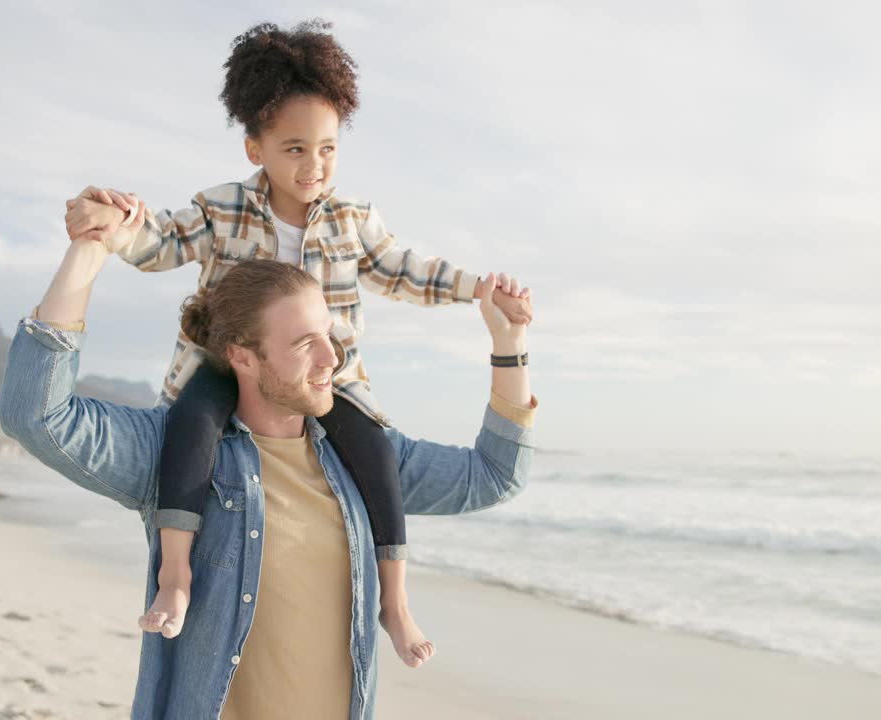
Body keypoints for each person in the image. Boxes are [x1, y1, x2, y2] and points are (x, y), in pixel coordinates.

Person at [61, 18, 531, 666]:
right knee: (190, 431)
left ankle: (394, 600)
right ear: (255, 148)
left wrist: (481, 289)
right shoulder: (222, 207)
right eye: (295, 149)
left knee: (374, 456)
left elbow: (404, 270)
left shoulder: (352, 218)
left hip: (324, 380)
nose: (315, 166)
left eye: (328, 148)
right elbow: (160, 243)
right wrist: (114, 224)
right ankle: (174, 573)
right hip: (227, 362)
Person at [0, 233, 536, 719]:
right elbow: (37, 415)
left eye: (328, 334)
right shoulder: (175, 451)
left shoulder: (365, 459)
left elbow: (493, 476)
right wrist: (88, 251)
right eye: (305, 344)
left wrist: (509, 346)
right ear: (243, 358)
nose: (332, 356)